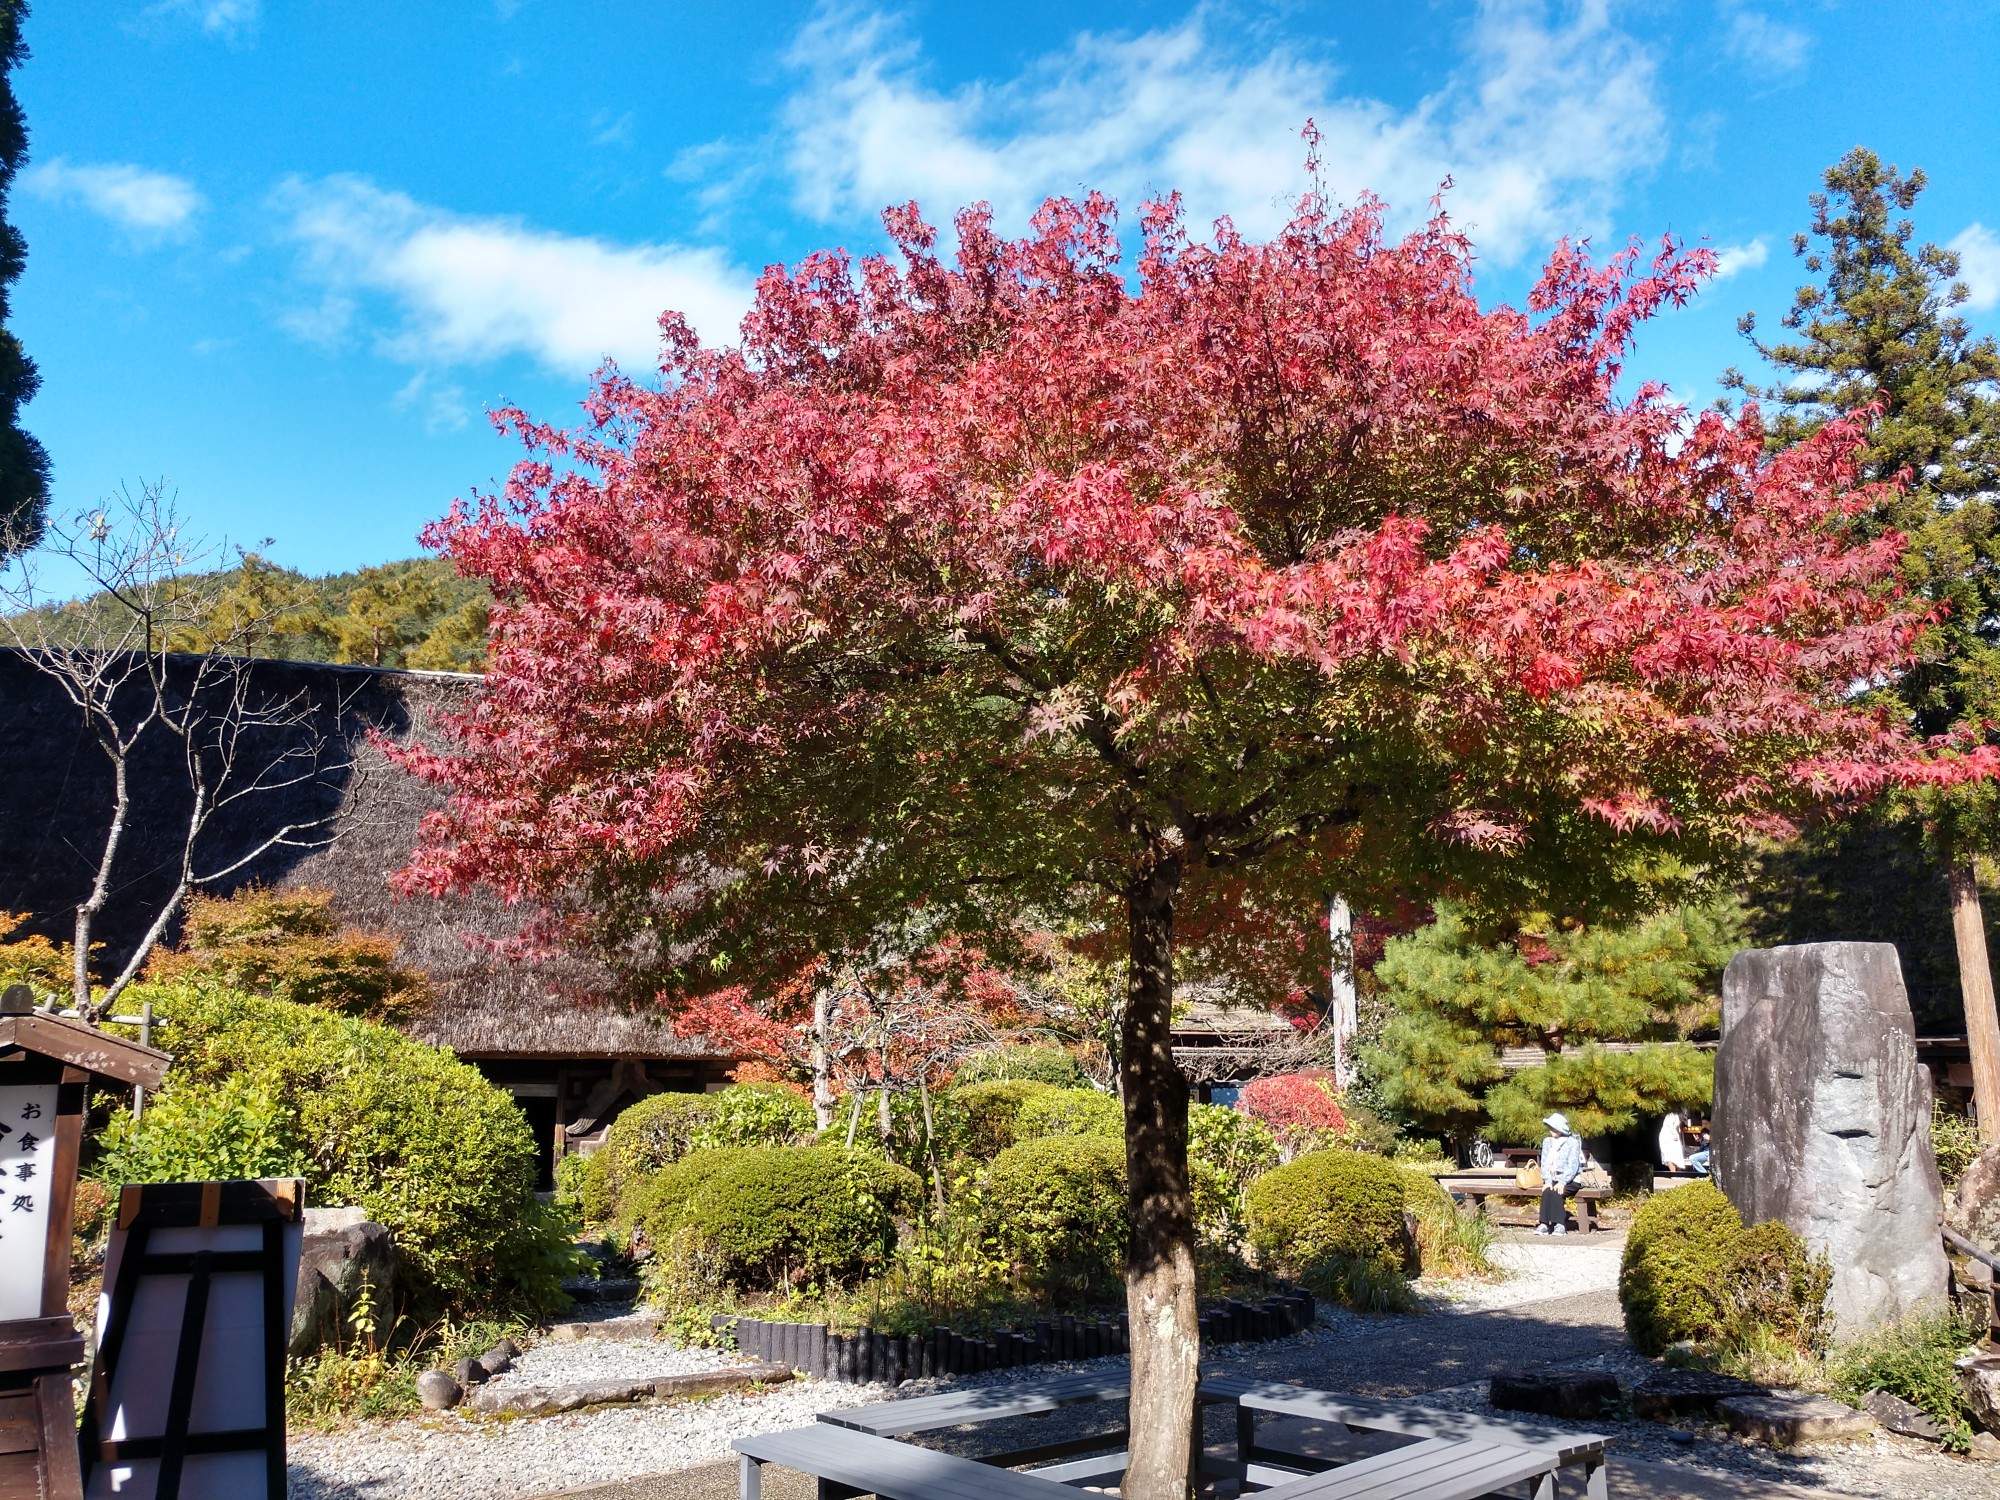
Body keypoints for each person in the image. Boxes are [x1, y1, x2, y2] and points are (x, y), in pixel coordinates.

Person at [1536, 1112, 1583, 1235]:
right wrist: (1547, 1181)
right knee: (1547, 1191)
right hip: (1552, 1177)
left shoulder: (1572, 1142)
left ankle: (1559, 1224)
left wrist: (1562, 1181)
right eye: (1550, 1128)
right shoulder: (1547, 1142)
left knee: (1557, 1190)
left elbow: (1572, 1166)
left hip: (1571, 1180)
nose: (1550, 1131)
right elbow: (1544, 1162)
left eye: (1553, 1128)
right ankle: (1544, 1224)